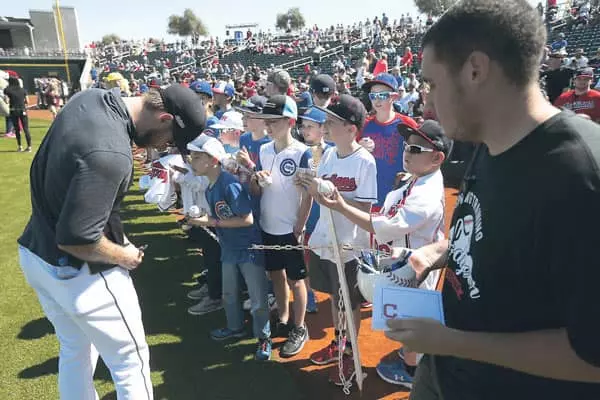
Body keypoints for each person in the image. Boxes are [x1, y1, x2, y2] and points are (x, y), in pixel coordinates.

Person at [385, 1, 600, 399]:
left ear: (475, 70)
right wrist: (435, 253)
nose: (426, 103)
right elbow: (494, 238)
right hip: (447, 370)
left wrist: (453, 342)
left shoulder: (581, 175)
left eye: (432, 83)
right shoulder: (488, 141)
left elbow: (593, 356)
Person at [17, 84, 206, 399]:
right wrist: (123, 255)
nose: (167, 146)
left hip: (36, 253)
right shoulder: (112, 153)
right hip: (79, 272)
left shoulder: (89, 97)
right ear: (163, 118)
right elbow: (76, 239)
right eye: (171, 139)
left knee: (75, 349)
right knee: (130, 361)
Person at [319, 120, 449, 388]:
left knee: (411, 320)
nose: (407, 152)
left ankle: (411, 372)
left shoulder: (425, 194)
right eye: (406, 145)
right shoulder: (420, 177)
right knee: (408, 318)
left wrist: (342, 206)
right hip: (409, 257)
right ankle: (412, 356)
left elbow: (385, 226)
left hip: (416, 263)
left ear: (437, 158)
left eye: (415, 148)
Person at [297, 95, 378, 385]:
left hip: (349, 245)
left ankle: (349, 353)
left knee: (350, 301)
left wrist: (336, 200)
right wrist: (309, 185)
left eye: (332, 121)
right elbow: (321, 196)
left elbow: (367, 211)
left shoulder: (365, 162)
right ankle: (338, 342)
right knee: (335, 295)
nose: (326, 125)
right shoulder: (329, 154)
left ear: (352, 128)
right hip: (326, 239)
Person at [185, 134, 272, 361]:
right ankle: (235, 327)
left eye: (196, 157)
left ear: (213, 160)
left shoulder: (229, 184)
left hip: (248, 249)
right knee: (229, 293)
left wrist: (210, 222)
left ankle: (264, 338)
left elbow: (247, 219)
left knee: (257, 297)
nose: (191, 161)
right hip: (229, 248)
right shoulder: (211, 186)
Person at [250, 95, 312, 358]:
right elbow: (255, 189)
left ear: (290, 121)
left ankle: (300, 327)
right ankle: (284, 317)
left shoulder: (302, 152)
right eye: (267, 120)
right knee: (276, 274)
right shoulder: (264, 150)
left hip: (290, 227)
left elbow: (309, 193)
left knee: (297, 279)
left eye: (274, 121)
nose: (268, 125)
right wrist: (257, 179)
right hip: (267, 223)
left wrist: (300, 223)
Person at [298, 106, 333, 314]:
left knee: (332, 260)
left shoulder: (333, 152)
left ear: (323, 129)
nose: (305, 131)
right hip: (311, 218)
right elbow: (303, 189)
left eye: (310, 126)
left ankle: (337, 293)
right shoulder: (303, 153)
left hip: (329, 217)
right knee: (308, 260)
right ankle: (310, 293)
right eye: (303, 127)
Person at [3, 77, 32, 152]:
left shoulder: (7, 90)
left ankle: (20, 146)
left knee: (17, 129)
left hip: (14, 110)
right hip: (23, 110)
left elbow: (6, 101)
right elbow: (27, 101)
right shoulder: (23, 90)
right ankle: (29, 146)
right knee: (26, 129)